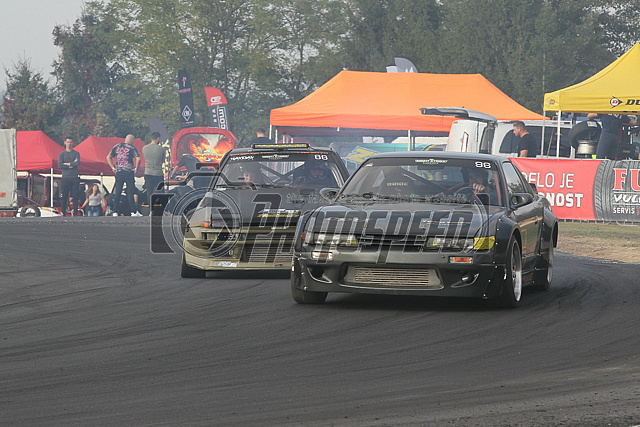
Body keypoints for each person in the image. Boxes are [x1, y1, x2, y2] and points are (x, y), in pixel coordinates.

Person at [106, 134, 142, 217]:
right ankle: (133, 211)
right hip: (128, 172)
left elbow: (108, 157)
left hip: (119, 172)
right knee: (130, 192)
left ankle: (115, 211)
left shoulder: (117, 146)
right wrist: (136, 168)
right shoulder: (132, 148)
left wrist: (113, 167)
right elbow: (138, 159)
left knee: (118, 192)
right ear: (132, 141)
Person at [57, 136, 81, 216]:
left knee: (75, 196)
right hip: (65, 177)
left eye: (70, 142)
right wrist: (71, 164)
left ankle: (75, 213)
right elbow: (60, 165)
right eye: (68, 142)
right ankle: (63, 212)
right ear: (65, 143)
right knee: (64, 195)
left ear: (73, 143)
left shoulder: (76, 153)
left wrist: (67, 164)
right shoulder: (61, 154)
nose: (69, 144)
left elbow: (77, 163)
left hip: (74, 177)